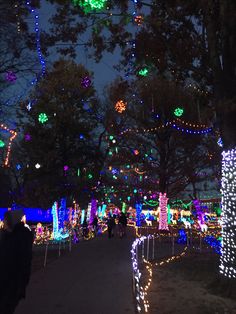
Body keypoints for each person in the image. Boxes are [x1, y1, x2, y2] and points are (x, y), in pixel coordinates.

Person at [0, 210, 33, 314]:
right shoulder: (10, 236)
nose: (3, 223)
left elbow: (21, 263)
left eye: (5, 221)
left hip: (11, 283)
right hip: (8, 282)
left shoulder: (17, 239)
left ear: (11, 222)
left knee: (6, 307)